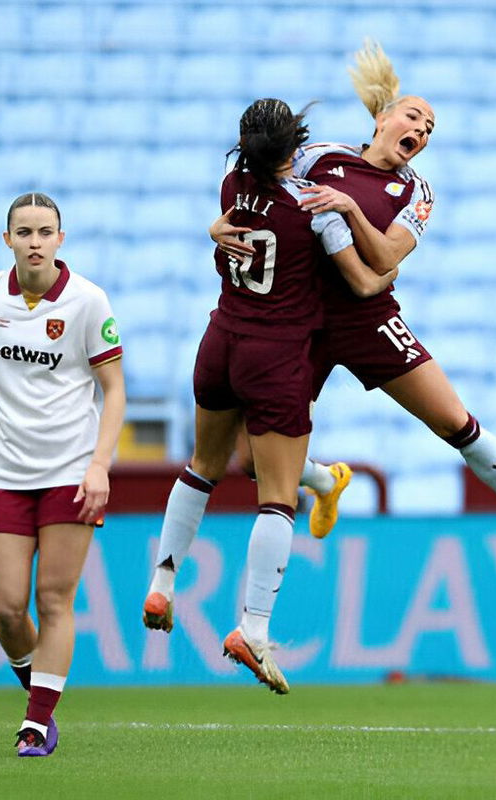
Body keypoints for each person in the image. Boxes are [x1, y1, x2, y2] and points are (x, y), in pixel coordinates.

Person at [213, 40, 496, 548]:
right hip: (297, 317)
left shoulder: (417, 191)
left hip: (367, 318)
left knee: (452, 419)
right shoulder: (318, 155)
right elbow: (251, 178)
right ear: (381, 118)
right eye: (414, 117)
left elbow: (386, 259)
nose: (420, 130)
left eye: (429, 129)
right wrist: (219, 225)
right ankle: (327, 482)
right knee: (246, 459)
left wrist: (349, 208)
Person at [141, 98, 391, 694]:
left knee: (203, 468)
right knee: (276, 499)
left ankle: (162, 583)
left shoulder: (232, 185)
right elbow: (361, 280)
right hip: (276, 355)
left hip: (220, 339)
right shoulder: (313, 207)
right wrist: (390, 275)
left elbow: (227, 236)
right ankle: (252, 628)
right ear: (293, 145)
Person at [0, 192, 126, 757]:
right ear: (7, 239)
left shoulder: (88, 302)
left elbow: (113, 390)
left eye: (45, 231)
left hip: (69, 470)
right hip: (4, 470)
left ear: (61, 239)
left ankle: (36, 723)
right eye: (24, 232)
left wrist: (99, 465)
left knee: (54, 599)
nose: (35, 241)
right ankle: (39, 689)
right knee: (7, 609)